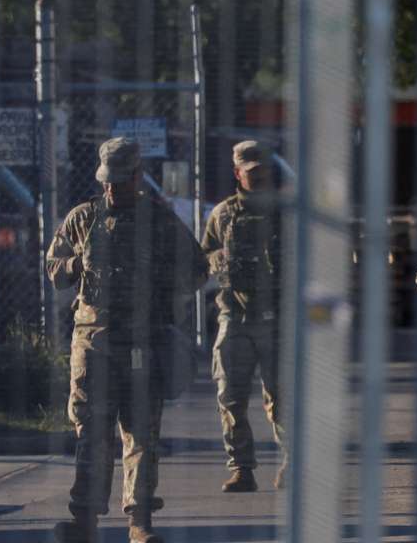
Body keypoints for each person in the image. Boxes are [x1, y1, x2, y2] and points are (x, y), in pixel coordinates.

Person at [47, 137, 208, 543]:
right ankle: (84, 519)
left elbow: (198, 270)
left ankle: (139, 520)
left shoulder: (160, 221)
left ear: (138, 176)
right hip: (93, 343)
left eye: (120, 180)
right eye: (107, 181)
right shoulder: (83, 218)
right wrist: (73, 264)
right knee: (90, 433)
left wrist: (164, 282)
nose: (112, 188)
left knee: (140, 434)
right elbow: (53, 268)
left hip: (142, 342)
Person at [201, 140, 288, 492]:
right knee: (230, 397)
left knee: (283, 399)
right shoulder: (222, 214)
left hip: (281, 320)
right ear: (238, 172)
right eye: (251, 171)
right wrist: (218, 261)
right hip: (234, 316)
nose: (259, 176)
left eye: (264, 170)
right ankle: (241, 468)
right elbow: (205, 254)